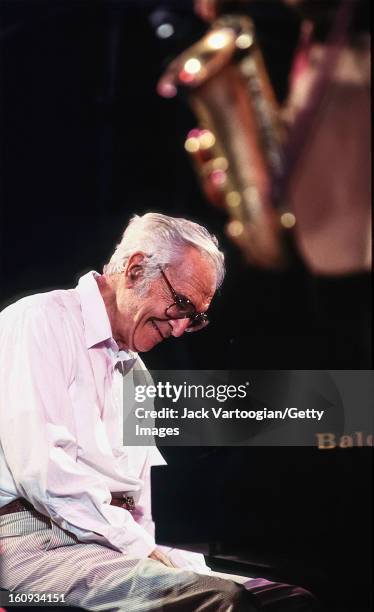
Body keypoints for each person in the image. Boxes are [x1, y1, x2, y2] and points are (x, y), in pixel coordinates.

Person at [0, 213, 318, 611]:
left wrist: (147, 550)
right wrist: (139, 551)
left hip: (109, 542)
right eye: (181, 304)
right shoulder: (40, 320)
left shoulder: (140, 377)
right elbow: (44, 475)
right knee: (219, 601)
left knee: (284, 599)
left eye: (195, 316)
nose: (181, 328)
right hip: (30, 542)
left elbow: (137, 502)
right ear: (135, 270)